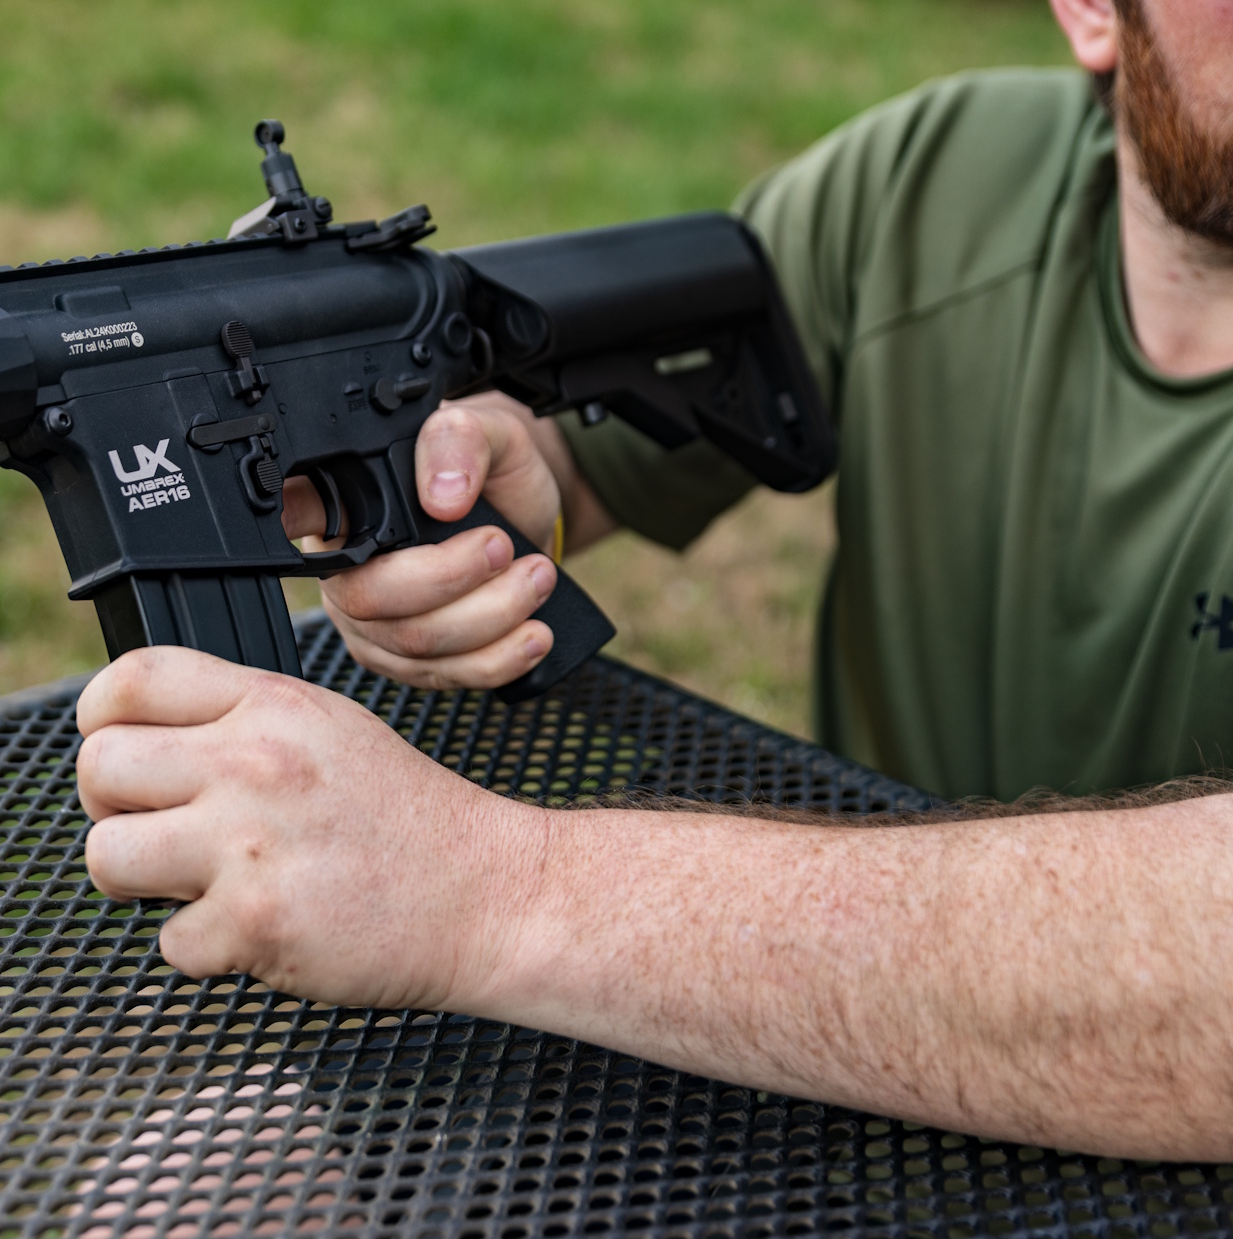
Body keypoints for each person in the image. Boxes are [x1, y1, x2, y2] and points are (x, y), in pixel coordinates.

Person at [73, 0, 1233, 1162]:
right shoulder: (937, 183)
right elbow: (588, 449)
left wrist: (489, 892)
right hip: (800, 1074)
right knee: (198, 1184)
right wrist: (479, 482)